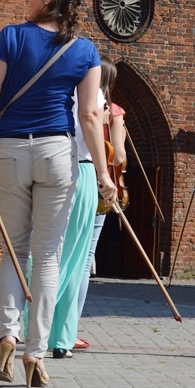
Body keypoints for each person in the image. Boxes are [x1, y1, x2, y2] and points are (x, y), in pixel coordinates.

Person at [0, 0, 117, 387]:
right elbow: (88, 115)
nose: (24, 0)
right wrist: (103, 173)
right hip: (56, 152)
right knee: (48, 256)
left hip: (9, 148)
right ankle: (35, 351)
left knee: (15, 249)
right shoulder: (85, 51)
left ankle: (7, 333)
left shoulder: (11, 36)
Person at [63, 55, 127, 355]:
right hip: (96, 183)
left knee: (57, 251)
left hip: (65, 171)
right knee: (83, 257)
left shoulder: (69, 94)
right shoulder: (111, 111)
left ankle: (46, 323)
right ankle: (68, 327)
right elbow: (118, 157)